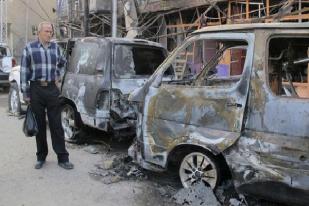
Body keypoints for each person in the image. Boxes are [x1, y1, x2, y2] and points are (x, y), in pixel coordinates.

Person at [20, 21, 74, 170]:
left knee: (56, 124)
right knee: (40, 125)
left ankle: (63, 158)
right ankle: (41, 157)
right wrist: (26, 92)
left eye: (51, 31)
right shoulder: (29, 48)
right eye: (47, 31)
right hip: (36, 89)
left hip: (51, 89)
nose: (50, 34)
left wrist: (58, 77)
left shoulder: (55, 48)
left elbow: (64, 63)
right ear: (39, 33)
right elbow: (24, 71)